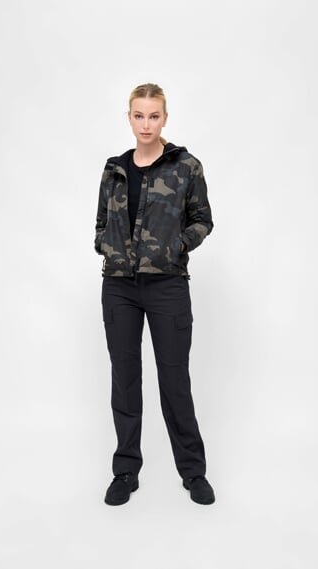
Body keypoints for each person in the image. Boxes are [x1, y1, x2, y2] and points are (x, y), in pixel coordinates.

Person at [94, 82, 215, 506]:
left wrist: (178, 244)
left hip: (167, 286)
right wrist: (105, 244)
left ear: (165, 118)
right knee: (125, 380)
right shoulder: (114, 168)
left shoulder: (186, 166)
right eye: (138, 115)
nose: (146, 124)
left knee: (174, 380)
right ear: (129, 118)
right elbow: (101, 221)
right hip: (119, 287)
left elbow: (203, 219)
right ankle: (126, 471)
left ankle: (193, 472)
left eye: (154, 115)